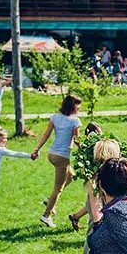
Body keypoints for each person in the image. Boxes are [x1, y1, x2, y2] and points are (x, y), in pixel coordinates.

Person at [30, 94, 82, 228]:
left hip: (52, 154)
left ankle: (49, 201)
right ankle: (46, 215)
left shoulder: (55, 117)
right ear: (72, 107)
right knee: (57, 189)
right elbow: (77, 140)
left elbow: (46, 135)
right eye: (78, 105)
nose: (79, 108)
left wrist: (37, 149)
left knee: (71, 176)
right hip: (62, 157)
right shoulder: (75, 121)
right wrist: (85, 150)